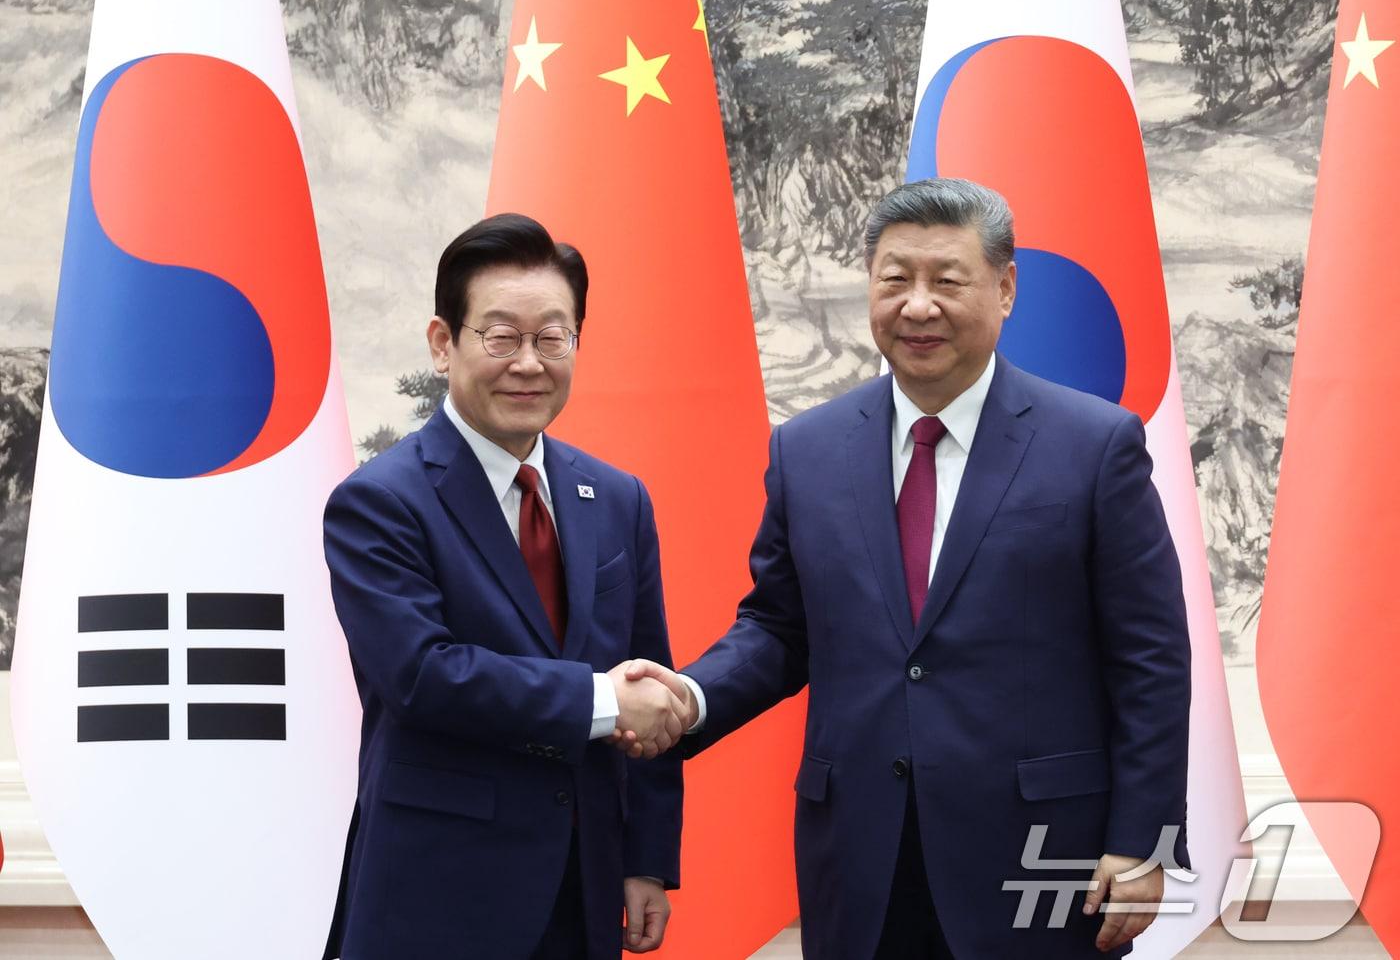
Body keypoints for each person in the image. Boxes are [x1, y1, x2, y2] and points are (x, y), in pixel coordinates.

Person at [625, 179, 1191, 958]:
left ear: (1005, 288)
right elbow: (779, 629)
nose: (918, 306)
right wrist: (690, 696)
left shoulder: (1094, 447)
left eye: (947, 280)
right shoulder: (809, 451)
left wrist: (1147, 843)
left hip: (1042, 857)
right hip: (861, 857)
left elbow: (1152, 659)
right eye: (895, 279)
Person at [322, 213, 686, 960]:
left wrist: (647, 857)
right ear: (442, 342)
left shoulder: (619, 499)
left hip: (584, 889)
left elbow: (649, 671)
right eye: (501, 336)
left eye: (552, 337)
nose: (529, 362)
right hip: (438, 893)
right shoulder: (380, 501)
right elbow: (424, 675)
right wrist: (602, 699)